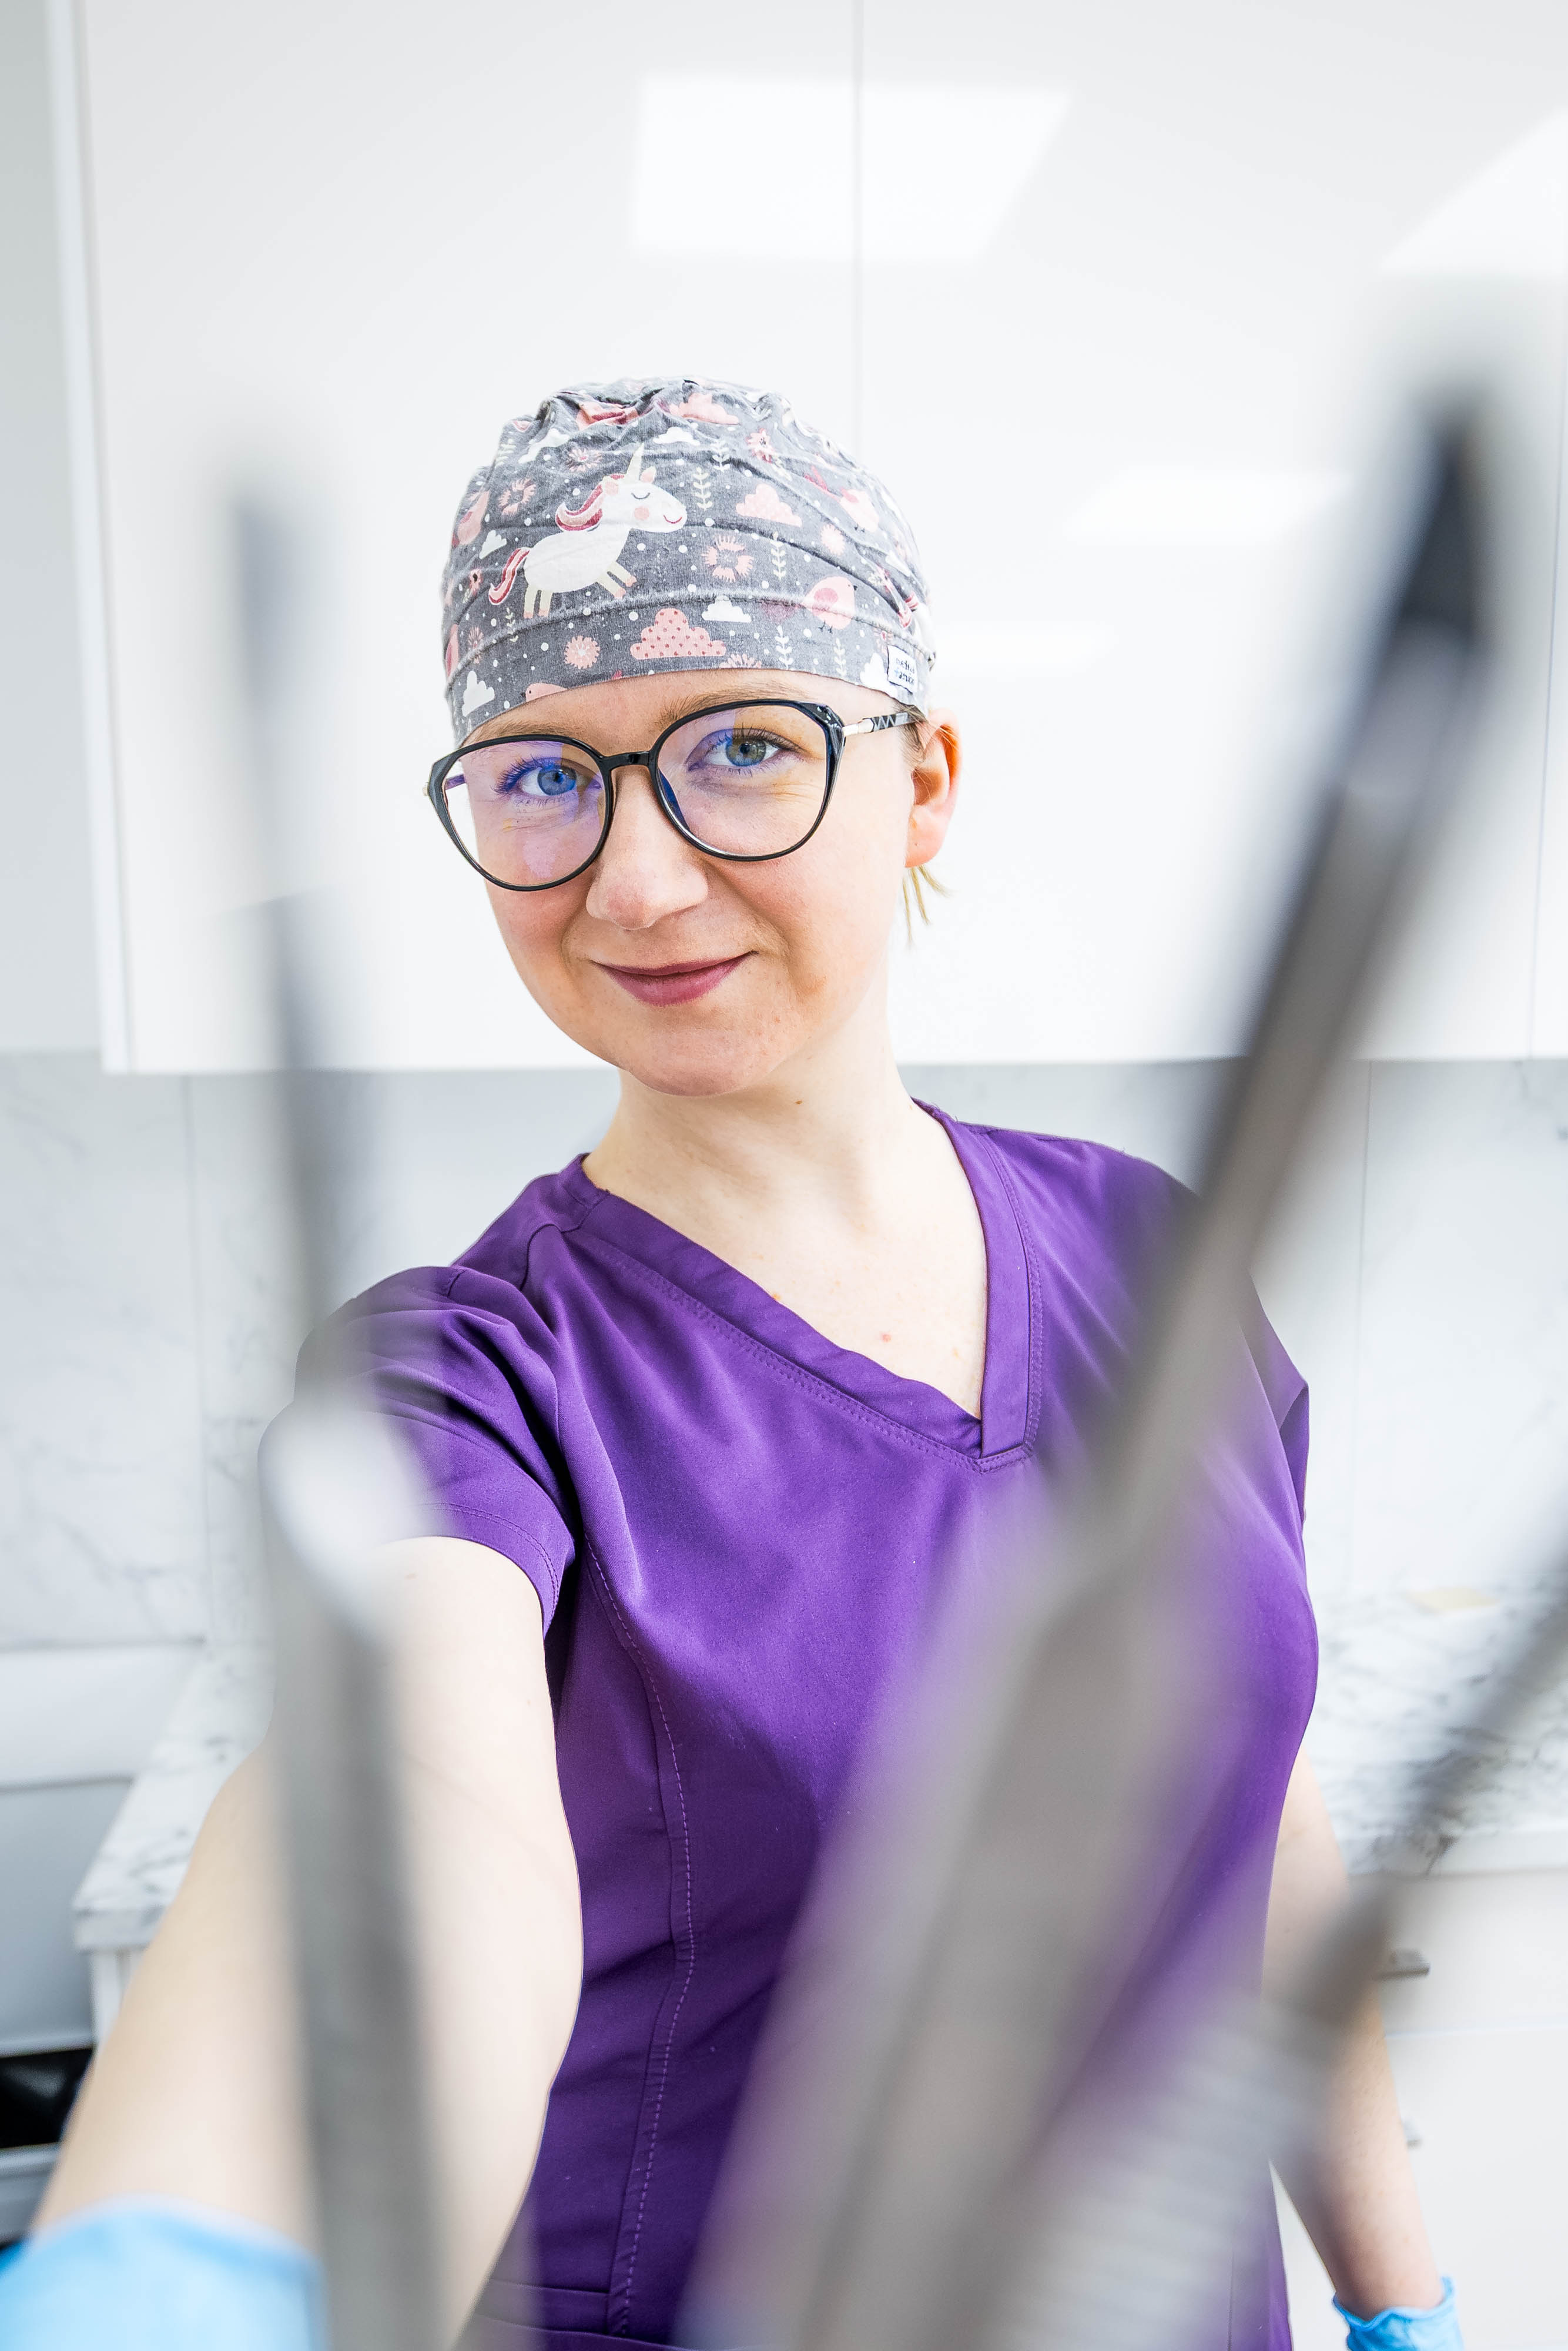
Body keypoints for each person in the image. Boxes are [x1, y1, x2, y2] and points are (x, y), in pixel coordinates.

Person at [2, 380, 1460, 2351]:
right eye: (542, 775)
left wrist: (1398, 2301)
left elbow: (1252, 1827)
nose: (633, 881)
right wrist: (199, 2261)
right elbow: (413, 1812)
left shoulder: (1154, 1256)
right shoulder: (466, 1376)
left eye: (744, 749)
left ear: (922, 780)